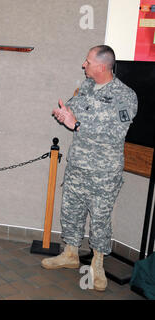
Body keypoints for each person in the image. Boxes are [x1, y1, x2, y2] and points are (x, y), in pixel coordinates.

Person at [41, 45, 138, 292]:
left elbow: (116, 135)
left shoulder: (125, 96)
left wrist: (77, 125)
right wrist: (65, 114)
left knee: (100, 220)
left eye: (87, 61)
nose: (83, 65)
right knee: (71, 211)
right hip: (78, 166)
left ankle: (97, 264)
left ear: (102, 66)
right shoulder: (85, 87)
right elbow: (73, 113)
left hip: (104, 173)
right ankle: (71, 254)